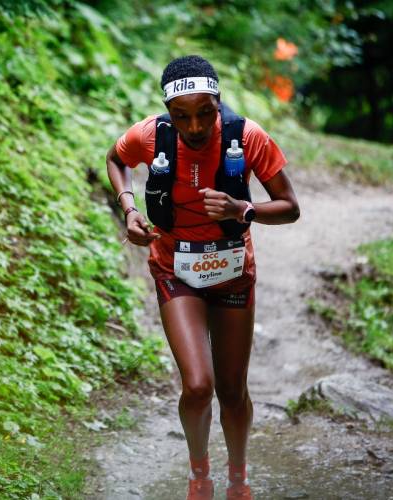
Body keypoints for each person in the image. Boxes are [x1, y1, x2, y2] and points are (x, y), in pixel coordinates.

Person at [105, 55, 300, 500]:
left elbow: (290, 207)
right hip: (175, 269)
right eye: (181, 116)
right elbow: (116, 159)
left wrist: (242, 209)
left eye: (205, 113)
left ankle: (238, 479)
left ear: (218, 102)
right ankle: (199, 476)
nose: (194, 127)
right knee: (197, 386)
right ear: (167, 112)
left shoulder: (248, 137)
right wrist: (129, 209)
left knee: (231, 391)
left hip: (232, 274)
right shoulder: (149, 135)